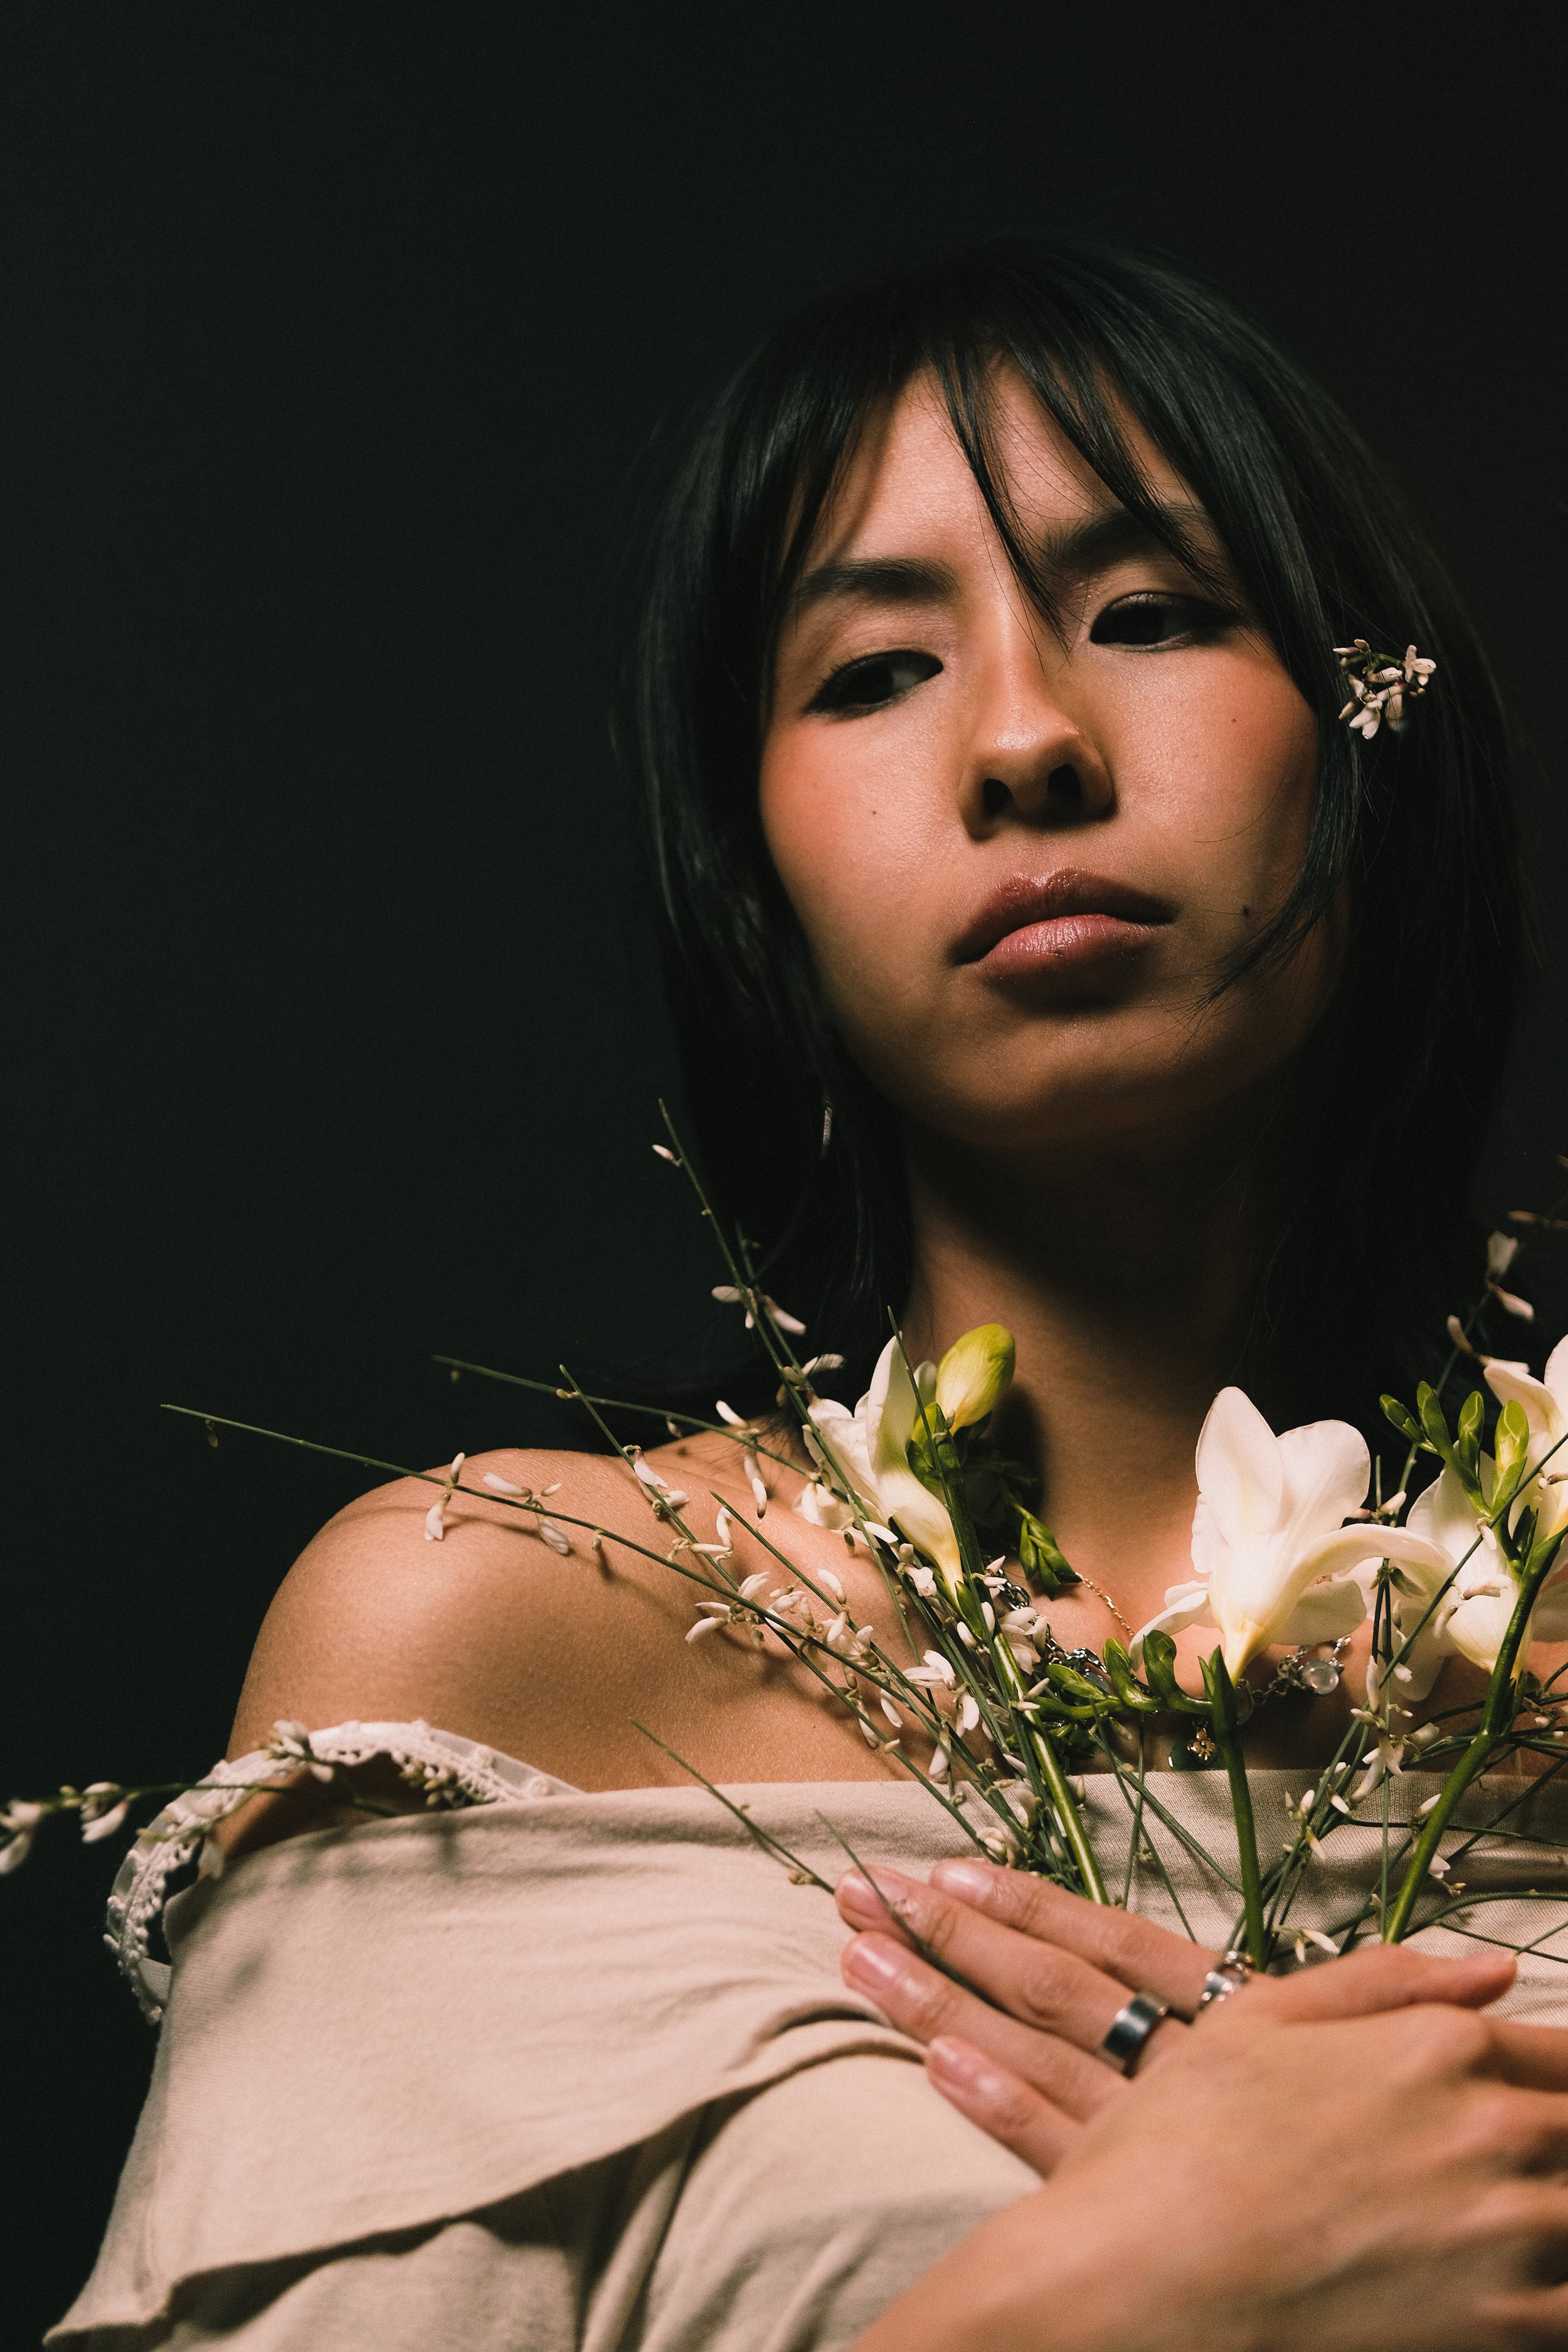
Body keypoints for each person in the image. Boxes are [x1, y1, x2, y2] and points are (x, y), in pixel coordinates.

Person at [53, 238, 1568, 2351]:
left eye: (1148, 614)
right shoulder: (499, 1636)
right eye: (869, 673)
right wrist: (1132, 2288)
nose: (1025, 740)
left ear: (1361, 729)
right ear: (753, 867)